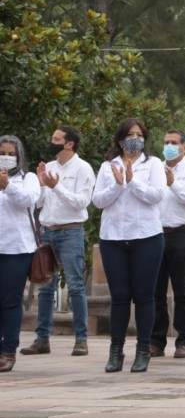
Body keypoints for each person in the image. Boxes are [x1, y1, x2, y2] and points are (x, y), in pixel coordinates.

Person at [92, 118, 166, 373]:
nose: (135, 138)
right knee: (120, 297)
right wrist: (117, 183)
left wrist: (133, 181)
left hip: (146, 236)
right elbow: (98, 200)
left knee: (145, 296)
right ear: (120, 139)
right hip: (113, 237)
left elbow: (157, 195)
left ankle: (143, 350)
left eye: (139, 134)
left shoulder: (153, 164)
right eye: (130, 134)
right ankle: (116, 352)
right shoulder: (107, 166)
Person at [20, 126, 95, 358]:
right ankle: (42, 338)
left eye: (56, 139)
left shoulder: (83, 168)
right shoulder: (49, 167)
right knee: (44, 287)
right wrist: (42, 186)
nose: (51, 142)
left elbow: (81, 202)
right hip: (47, 231)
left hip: (70, 231)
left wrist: (57, 187)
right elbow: (39, 202)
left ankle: (81, 339)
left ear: (69, 144)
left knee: (75, 285)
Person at [150, 129, 185, 360]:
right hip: (154, 234)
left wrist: (174, 184)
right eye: (166, 142)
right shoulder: (153, 168)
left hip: (181, 234)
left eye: (174, 142)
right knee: (156, 291)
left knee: (182, 289)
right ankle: (156, 340)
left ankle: (183, 340)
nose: (169, 146)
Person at [0, 136, 39, 373]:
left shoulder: (28, 179)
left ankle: (8, 350)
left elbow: (29, 201)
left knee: (10, 300)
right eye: (2, 152)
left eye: (10, 153)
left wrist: (7, 186)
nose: (5, 157)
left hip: (17, 249)